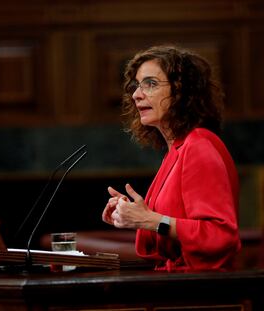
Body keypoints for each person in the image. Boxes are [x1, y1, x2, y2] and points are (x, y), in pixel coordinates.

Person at [101, 45, 241, 271]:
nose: (136, 94)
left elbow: (220, 235)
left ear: (181, 91)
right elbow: (166, 232)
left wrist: (149, 220)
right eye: (137, 85)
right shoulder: (177, 149)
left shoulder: (198, 146)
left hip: (201, 292)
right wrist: (132, 216)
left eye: (150, 84)